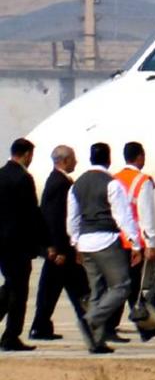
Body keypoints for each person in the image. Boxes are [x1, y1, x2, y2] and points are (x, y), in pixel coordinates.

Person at [67, 143, 137, 354]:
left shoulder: (76, 185)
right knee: (122, 286)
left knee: (96, 291)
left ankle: (95, 343)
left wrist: (75, 243)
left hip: (85, 242)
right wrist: (135, 242)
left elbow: (72, 218)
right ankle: (92, 320)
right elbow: (122, 215)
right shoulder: (112, 183)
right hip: (106, 239)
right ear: (108, 159)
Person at [30, 146, 84, 342]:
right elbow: (54, 218)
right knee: (61, 289)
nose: (76, 163)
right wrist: (57, 249)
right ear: (65, 160)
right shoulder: (59, 183)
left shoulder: (59, 181)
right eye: (74, 159)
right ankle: (90, 326)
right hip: (62, 249)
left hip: (62, 248)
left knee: (61, 289)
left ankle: (41, 326)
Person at [114, 142, 155, 339]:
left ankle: (141, 327)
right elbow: (146, 215)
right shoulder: (143, 181)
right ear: (140, 157)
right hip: (132, 243)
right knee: (132, 287)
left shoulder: (115, 179)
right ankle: (145, 327)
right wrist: (150, 244)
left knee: (123, 286)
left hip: (115, 240)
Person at [0, 139, 38, 351]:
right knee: (18, 291)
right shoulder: (24, 178)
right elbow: (31, 214)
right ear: (26, 155)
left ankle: (10, 336)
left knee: (11, 286)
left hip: (3, 244)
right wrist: (41, 245)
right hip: (19, 244)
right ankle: (11, 336)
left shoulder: (0, 175)